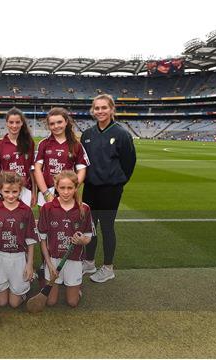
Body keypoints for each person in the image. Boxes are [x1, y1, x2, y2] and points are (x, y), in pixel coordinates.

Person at [80, 94, 136, 283]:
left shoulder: (121, 134)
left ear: (112, 109)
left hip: (110, 190)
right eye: (97, 108)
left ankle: (108, 267)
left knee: (106, 227)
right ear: (92, 111)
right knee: (89, 227)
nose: (100, 111)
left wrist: (117, 182)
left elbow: (129, 163)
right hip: (90, 188)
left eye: (104, 108)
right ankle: (89, 262)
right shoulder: (87, 134)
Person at [37, 170, 94, 307]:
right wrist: (49, 264)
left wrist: (81, 241)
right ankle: (42, 275)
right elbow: (43, 240)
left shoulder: (84, 209)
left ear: (76, 188)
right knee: (50, 302)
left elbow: (88, 238)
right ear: (56, 187)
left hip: (74, 259)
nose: (66, 192)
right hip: (53, 259)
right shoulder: (47, 208)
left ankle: (76, 290)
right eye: (62, 188)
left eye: (70, 188)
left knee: (72, 302)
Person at [0, 171, 37, 308]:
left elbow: (31, 240)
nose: (11, 195)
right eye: (7, 191)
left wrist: (29, 264)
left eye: (15, 191)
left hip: (19, 257)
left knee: (14, 303)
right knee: (2, 302)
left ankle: (26, 283)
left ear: (20, 191)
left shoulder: (26, 210)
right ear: (0, 190)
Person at [34, 107, 89, 206]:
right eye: (52, 124)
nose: (56, 126)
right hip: (47, 191)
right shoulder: (43, 144)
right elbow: (37, 169)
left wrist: (72, 188)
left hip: (68, 192)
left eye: (59, 122)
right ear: (48, 126)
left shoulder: (76, 145)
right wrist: (46, 193)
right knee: (46, 221)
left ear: (66, 122)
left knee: (67, 221)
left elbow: (82, 170)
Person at [0, 108, 36, 207]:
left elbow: (32, 169)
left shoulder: (29, 143)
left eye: (17, 122)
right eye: (11, 122)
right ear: (6, 123)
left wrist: (34, 192)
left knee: (23, 220)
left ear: (22, 123)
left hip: (25, 189)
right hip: (6, 190)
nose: (14, 126)